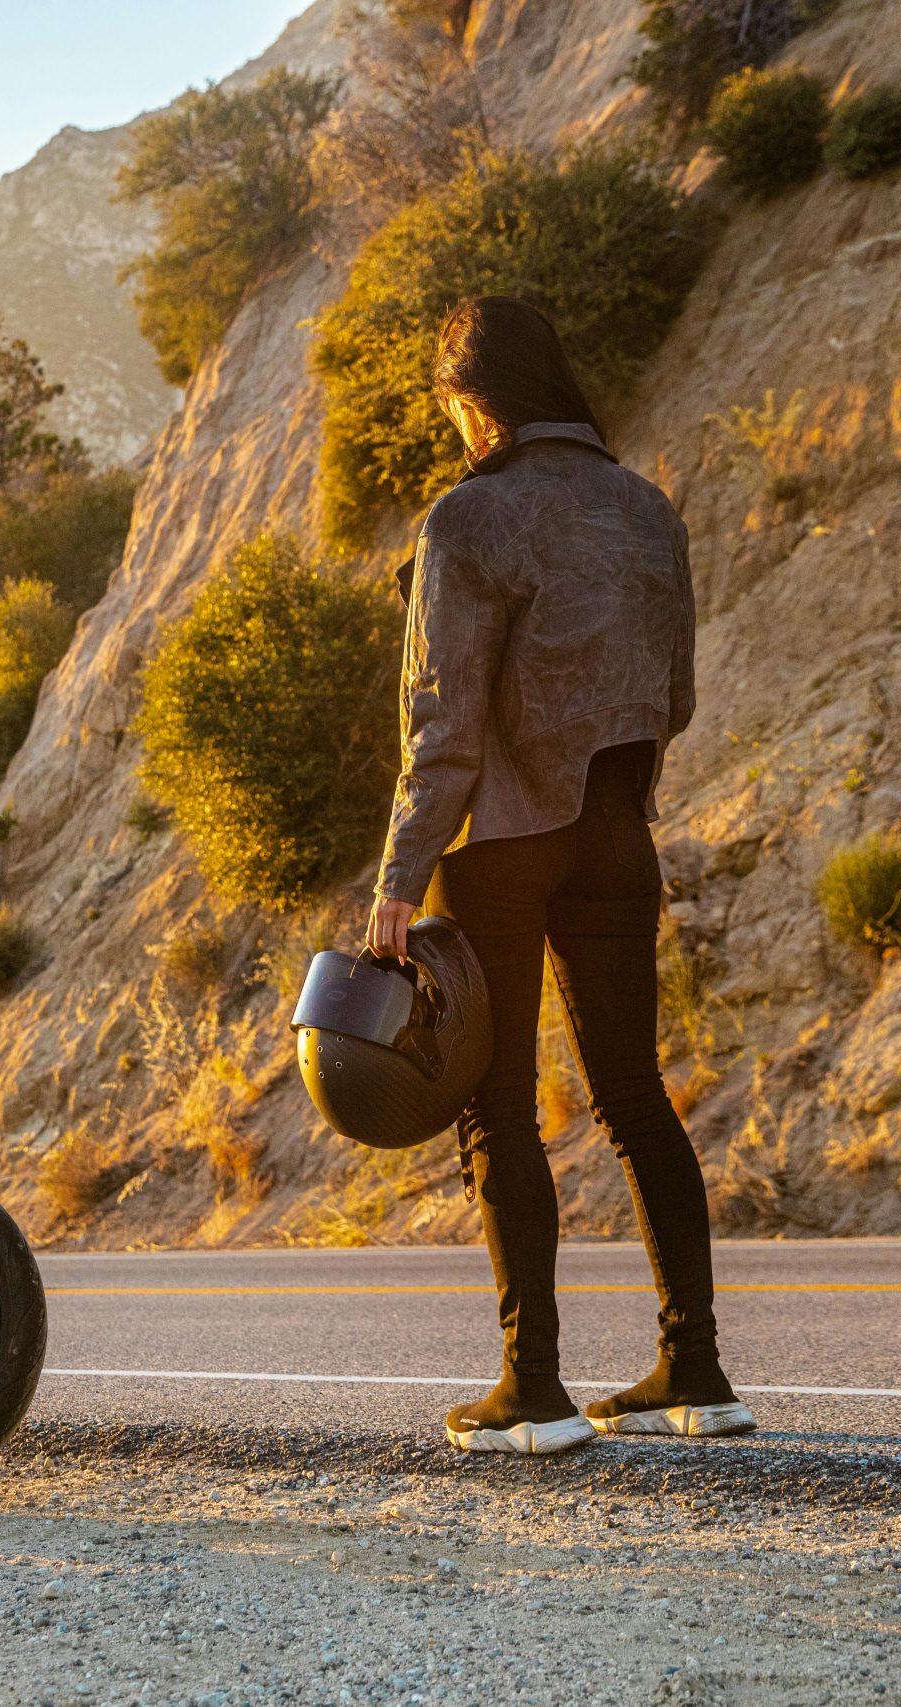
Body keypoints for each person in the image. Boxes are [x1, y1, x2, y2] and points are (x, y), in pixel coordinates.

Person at [365, 295, 753, 1456]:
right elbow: (673, 693)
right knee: (635, 1098)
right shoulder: (647, 509)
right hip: (616, 830)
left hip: (498, 846)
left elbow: (441, 722)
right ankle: (697, 1372)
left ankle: (530, 1395)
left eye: (449, 408)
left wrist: (398, 875)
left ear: (473, 401)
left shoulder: (468, 518)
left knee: (497, 1112)